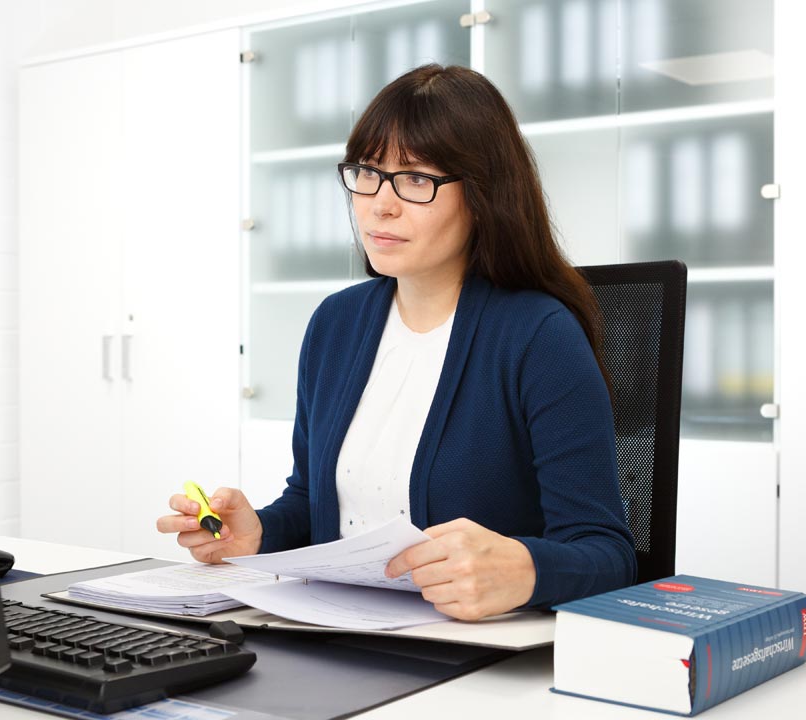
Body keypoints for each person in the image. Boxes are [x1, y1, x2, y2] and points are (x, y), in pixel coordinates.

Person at [157, 64, 635, 621]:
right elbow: (315, 504)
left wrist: (524, 569)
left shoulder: (537, 335)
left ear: (482, 195)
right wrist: (258, 533)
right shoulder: (336, 324)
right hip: (337, 633)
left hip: (473, 656)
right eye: (368, 172)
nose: (379, 204)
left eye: (416, 178)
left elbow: (608, 555)